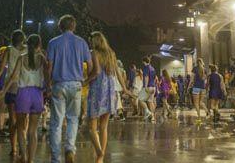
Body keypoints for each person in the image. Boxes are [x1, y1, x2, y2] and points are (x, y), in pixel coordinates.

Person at [47, 15, 92, 163]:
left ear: (60, 26)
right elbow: (90, 65)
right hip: (76, 84)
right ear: (73, 26)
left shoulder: (53, 43)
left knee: (56, 122)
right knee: (73, 119)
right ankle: (69, 149)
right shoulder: (81, 42)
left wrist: (48, 84)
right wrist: (86, 81)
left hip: (58, 84)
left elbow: (49, 66)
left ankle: (55, 158)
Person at [85, 32, 131, 163]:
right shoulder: (111, 54)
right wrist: (125, 88)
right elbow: (118, 73)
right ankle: (101, 157)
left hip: (97, 91)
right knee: (103, 127)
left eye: (91, 41)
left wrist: (84, 82)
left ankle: (99, 151)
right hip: (109, 91)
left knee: (92, 128)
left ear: (95, 42)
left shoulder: (93, 53)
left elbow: (95, 72)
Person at [4, 34, 50, 163]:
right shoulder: (42, 58)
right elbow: (47, 77)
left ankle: (23, 156)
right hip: (37, 94)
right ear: (39, 45)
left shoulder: (22, 58)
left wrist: (3, 91)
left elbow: (13, 77)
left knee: (20, 127)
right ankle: (31, 159)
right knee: (33, 130)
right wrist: (50, 90)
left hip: (23, 93)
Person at [0, 29, 27, 157]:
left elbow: (1, 68)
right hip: (25, 86)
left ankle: (14, 148)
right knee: (23, 119)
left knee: (12, 119)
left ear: (12, 39)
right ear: (23, 39)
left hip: (11, 87)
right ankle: (22, 145)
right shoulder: (28, 50)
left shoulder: (9, 50)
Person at [138, 56, 157, 121]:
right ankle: (153, 116)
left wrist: (145, 86)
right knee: (150, 102)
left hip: (148, 86)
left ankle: (147, 112)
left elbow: (146, 77)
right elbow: (155, 78)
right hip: (153, 87)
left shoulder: (146, 68)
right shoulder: (153, 68)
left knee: (140, 100)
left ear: (144, 61)